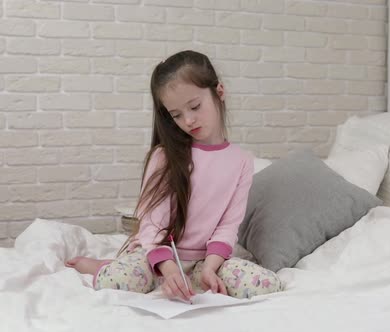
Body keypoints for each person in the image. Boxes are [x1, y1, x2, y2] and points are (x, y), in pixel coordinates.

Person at [66, 50, 282, 301]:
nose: (188, 120)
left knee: (267, 284)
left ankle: (183, 274)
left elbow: (228, 226)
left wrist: (211, 268)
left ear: (219, 93)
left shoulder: (242, 161)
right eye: (176, 115)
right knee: (115, 282)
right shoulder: (164, 156)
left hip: (204, 260)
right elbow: (153, 225)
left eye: (195, 106)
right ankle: (102, 265)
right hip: (159, 257)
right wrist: (168, 271)